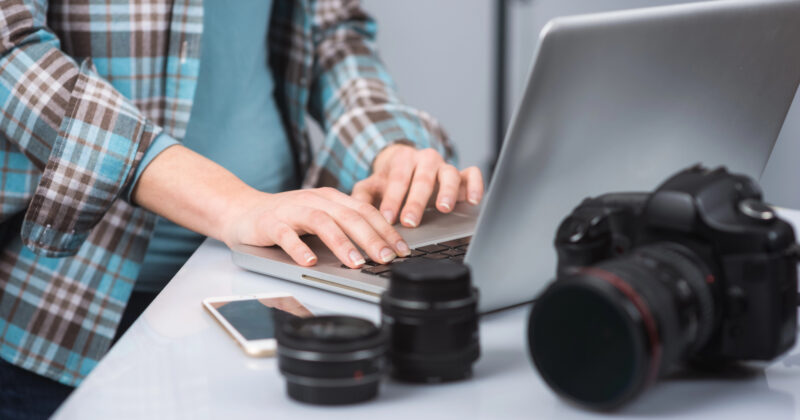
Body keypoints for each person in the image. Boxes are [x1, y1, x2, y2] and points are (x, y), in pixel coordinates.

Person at [0, 0, 484, 418]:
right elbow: (10, 48)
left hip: (274, 275)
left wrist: (387, 148)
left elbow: (332, 32)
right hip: (74, 304)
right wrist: (232, 202)